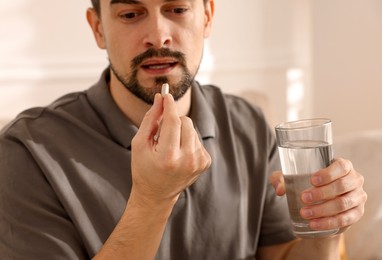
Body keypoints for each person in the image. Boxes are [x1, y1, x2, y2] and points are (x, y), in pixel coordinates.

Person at [0, 0, 367, 259]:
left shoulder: (250, 124)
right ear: (98, 28)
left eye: (176, 9)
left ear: (207, 16)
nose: (158, 36)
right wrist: (152, 199)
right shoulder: (28, 150)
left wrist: (324, 228)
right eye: (131, 13)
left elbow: (282, 255)